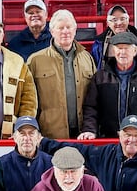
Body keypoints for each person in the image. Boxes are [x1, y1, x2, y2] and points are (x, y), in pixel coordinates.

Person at [81, 31, 137, 139]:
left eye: (126, 48)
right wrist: (90, 130)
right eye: (119, 48)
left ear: (135, 51)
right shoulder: (100, 77)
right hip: (107, 138)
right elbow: (91, 108)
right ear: (113, 51)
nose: (122, 52)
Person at [27, 9, 97, 139]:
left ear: (75, 29)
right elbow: (28, 100)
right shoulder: (35, 60)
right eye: (60, 28)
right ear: (52, 31)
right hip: (49, 135)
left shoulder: (87, 58)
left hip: (83, 134)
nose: (65, 31)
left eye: (69, 27)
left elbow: (95, 99)